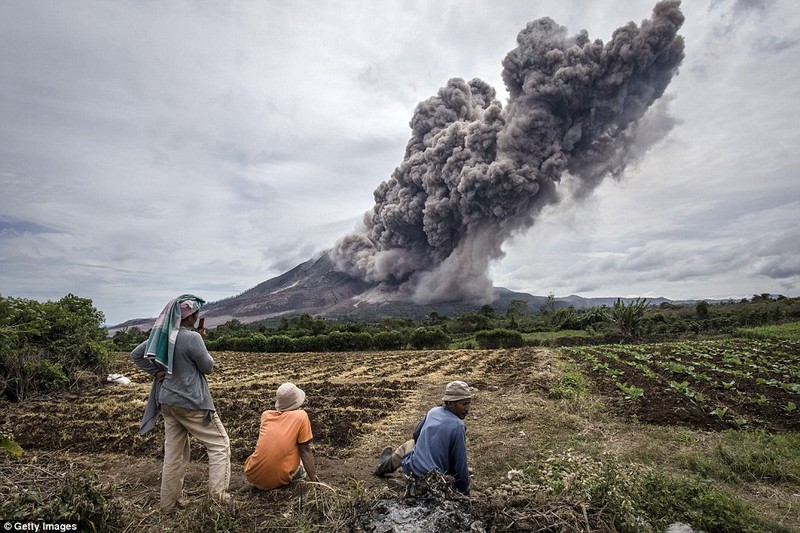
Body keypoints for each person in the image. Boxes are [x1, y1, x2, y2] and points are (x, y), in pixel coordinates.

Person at [130, 294, 231, 513]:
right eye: (196, 314)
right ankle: (218, 499)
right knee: (220, 444)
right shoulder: (193, 338)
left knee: (174, 454)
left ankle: (168, 505)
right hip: (192, 402)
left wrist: (157, 372)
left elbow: (137, 355)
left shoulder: (163, 336)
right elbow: (207, 367)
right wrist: (201, 340)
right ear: (192, 316)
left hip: (167, 401)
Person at [374, 380, 472, 494]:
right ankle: (383, 465)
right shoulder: (458, 425)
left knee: (409, 444)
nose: (467, 408)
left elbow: (416, 435)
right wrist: (465, 490)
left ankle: (383, 466)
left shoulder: (433, 412)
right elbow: (460, 463)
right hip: (435, 481)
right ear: (449, 403)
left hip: (413, 472)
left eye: (469, 403)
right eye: (464, 404)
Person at [243, 382, 320, 490]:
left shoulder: (266, 416)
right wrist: (316, 483)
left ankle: (261, 482)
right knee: (301, 464)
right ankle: (285, 485)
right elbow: (305, 450)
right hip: (279, 478)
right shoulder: (301, 416)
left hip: (253, 474)